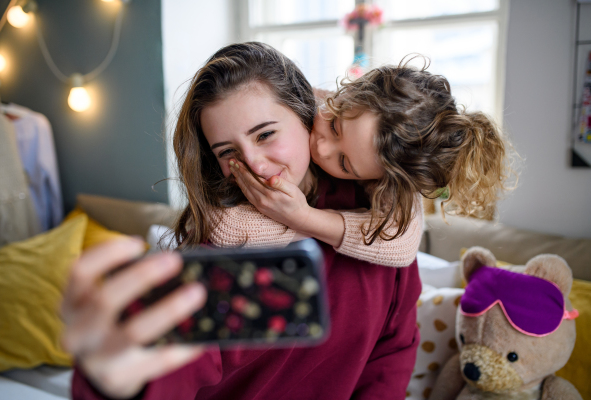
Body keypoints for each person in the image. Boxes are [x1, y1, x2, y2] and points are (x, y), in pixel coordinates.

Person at [65, 42, 422, 400]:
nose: (255, 166)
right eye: (228, 152)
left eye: (265, 134)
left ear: (307, 118)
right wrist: (117, 384)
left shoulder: (382, 224)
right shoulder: (225, 249)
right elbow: (175, 369)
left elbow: (393, 352)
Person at [209, 55, 513, 259]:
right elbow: (221, 227)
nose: (323, 148)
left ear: (374, 178)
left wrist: (302, 218)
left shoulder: (389, 174)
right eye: (334, 124)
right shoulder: (301, 101)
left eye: (344, 164)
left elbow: (402, 245)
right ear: (348, 91)